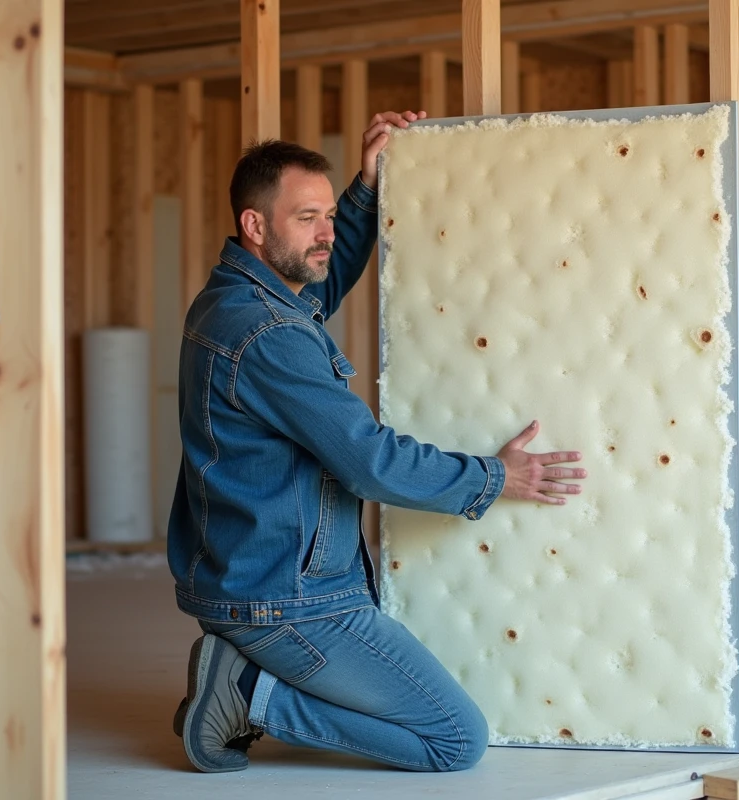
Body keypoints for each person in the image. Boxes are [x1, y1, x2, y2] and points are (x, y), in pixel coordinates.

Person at [167, 109, 588, 774]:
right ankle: (247, 694)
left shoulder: (235, 300)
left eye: (330, 216)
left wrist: (366, 188)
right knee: (454, 740)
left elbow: (318, 283)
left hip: (248, 578)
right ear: (254, 224)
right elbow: (369, 461)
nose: (326, 234)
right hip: (288, 599)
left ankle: (246, 678)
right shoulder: (267, 334)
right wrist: (494, 477)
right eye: (307, 218)